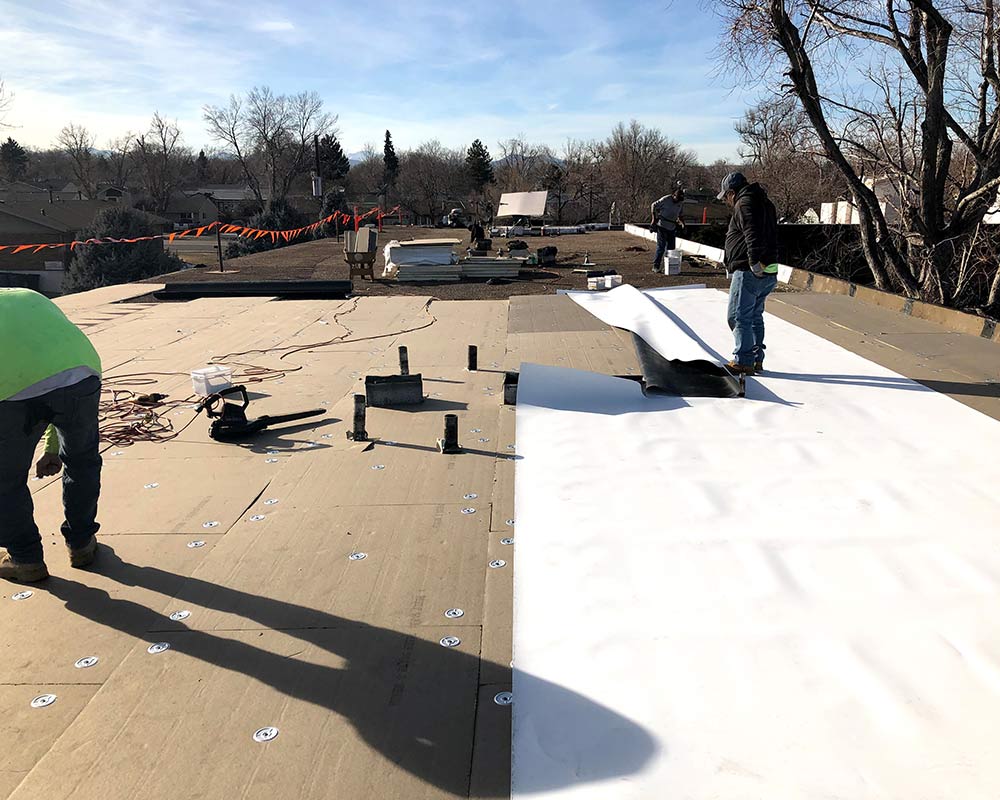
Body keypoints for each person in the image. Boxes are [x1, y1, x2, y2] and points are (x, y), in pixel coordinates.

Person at [0, 288, 103, 582]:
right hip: (81, 373)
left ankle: (25, 560)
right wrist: (54, 447)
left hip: (9, 388)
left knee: (5, 482)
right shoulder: (28, 295)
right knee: (82, 461)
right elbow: (48, 369)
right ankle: (82, 544)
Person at [717, 172, 779, 375]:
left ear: (732, 192)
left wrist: (753, 262)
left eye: (726, 196)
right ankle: (756, 359)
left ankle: (744, 360)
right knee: (754, 316)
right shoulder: (765, 202)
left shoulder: (744, 203)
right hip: (769, 267)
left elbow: (752, 233)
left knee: (738, 316)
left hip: (750, 268)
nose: (726, 201)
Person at [650, 186, 686, 272]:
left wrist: (683, 224)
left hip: (672, 227)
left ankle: (668, 266)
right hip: (662, 226)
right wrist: (654, 219)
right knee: (661, 247)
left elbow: (680, 215)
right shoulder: (666, 199)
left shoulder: (680, 203)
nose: (677, 201)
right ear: (673, 196)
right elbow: (653, 205)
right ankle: (656, 266)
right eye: (676, 199)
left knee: (671, 249)